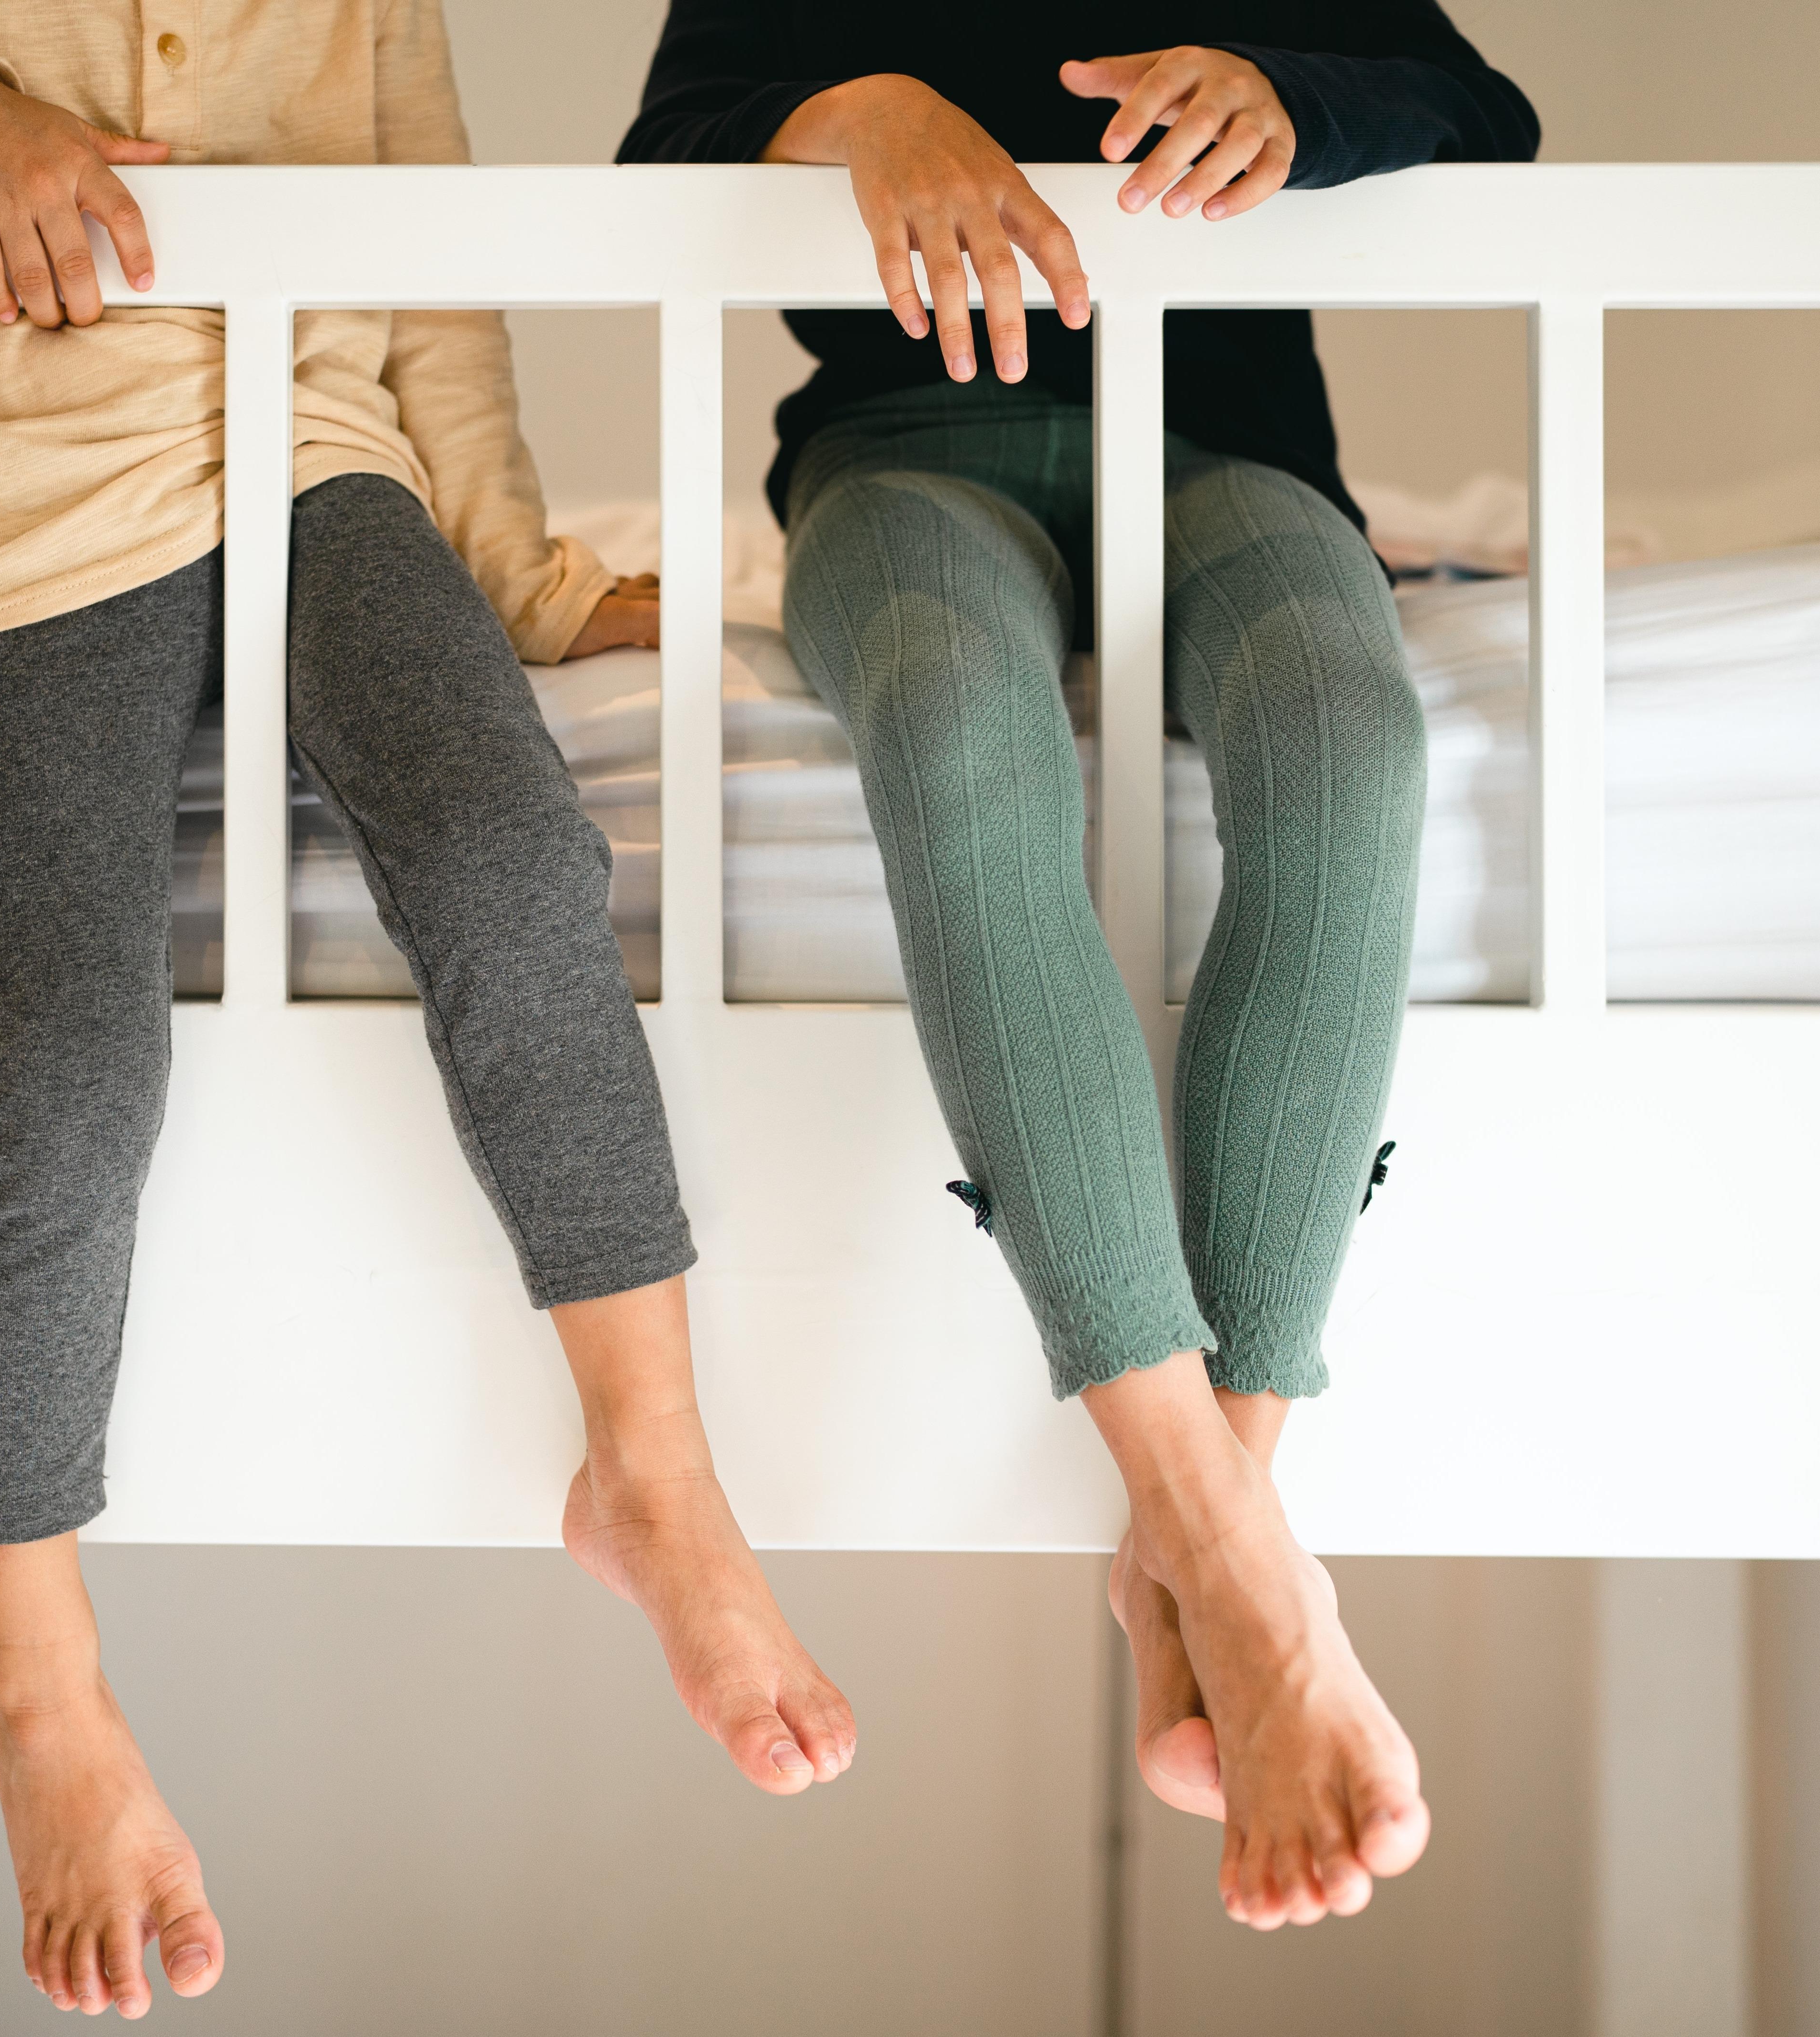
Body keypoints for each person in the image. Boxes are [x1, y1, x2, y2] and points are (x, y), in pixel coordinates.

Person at [0, 3, 855, 2015]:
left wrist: (521, 578)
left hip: (318, 470)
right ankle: (33, 1666)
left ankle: (652, 1472)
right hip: (7, 514)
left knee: (513, 861)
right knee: (67, 1054)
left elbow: (430, 283)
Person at [621, 1, 1536, 1931]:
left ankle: (1199, 1525)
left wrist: (1290, 94)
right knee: (954, 733)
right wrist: (859, 112)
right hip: (895, 460)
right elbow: (664, 149)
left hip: (1232, 458)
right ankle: (1233, 1556)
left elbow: (1479, 108)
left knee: (1345, 741)